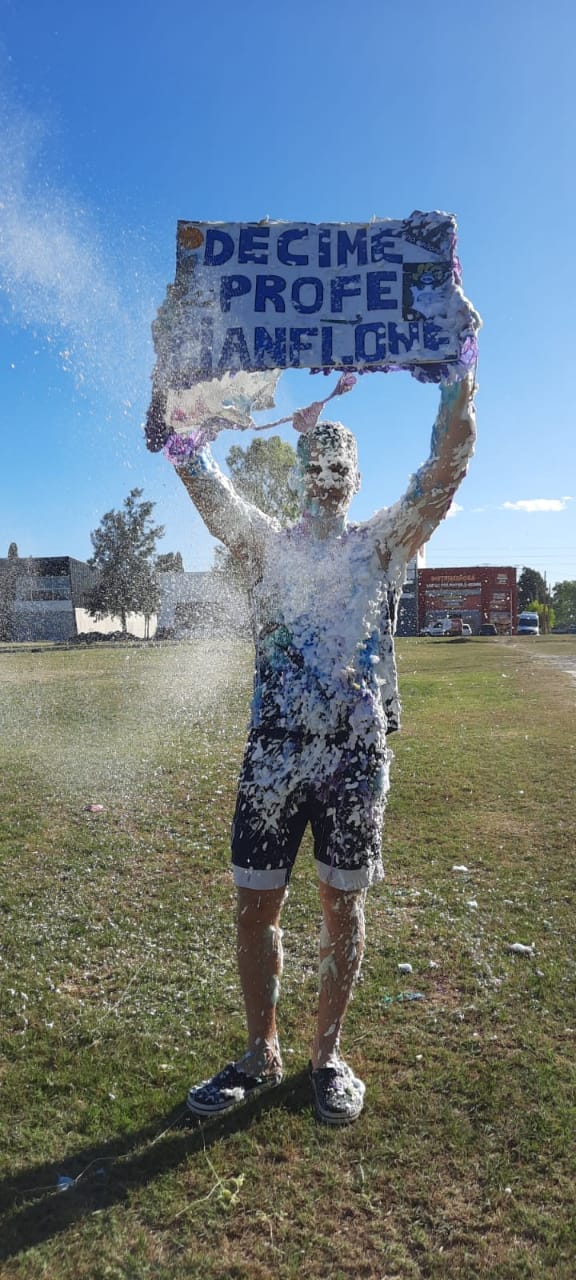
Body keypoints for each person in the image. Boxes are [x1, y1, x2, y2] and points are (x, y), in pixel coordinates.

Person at [171, 373, 476, 1124]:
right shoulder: (270, 548)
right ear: (301, 467)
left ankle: (326, 1056)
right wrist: (180, 419)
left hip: (352, 760)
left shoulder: (378, 545)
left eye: (340, 470)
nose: (326, 479)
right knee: (254, 907)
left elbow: (440, 479)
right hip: (273, 756)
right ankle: (259, 1052)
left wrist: (455, 392)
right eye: (316, 465)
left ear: (357, 479)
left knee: (344, 908)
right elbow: (205, 485)